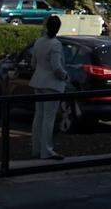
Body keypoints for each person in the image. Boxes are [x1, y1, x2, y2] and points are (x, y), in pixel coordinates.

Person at [29, 14, 69, 160]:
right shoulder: (56, 44)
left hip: (37, 81)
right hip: (51, 84)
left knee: (38, 117)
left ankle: (36, 148)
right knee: (48, 118)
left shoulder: (39, 42)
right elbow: (56, 67)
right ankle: (47, 150)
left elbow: (33, 63)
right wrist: (64, 76)